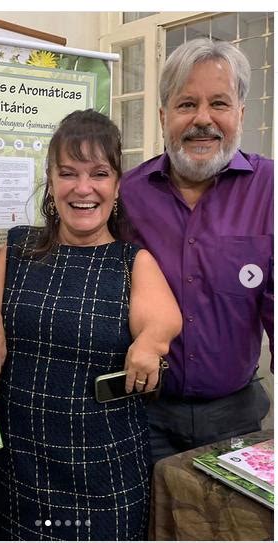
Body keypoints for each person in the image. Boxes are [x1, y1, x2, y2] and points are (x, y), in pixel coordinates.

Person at [0, 109, 182, 541]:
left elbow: (163, 318)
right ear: (51, 181)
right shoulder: (18, 245)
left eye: (99, 173)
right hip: (20, 465)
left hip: (103, 471)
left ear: (117, 185)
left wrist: (151, 341)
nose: (83, 188)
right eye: (68, 173)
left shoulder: (130, 261)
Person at [120, 38, 273, 464]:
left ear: (240, 113)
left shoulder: (270, 189)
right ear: (164, 115)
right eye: (187, 104)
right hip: (142, 411)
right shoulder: (128, 193)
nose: (202, 120)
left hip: (236, 414)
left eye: (219, 104)